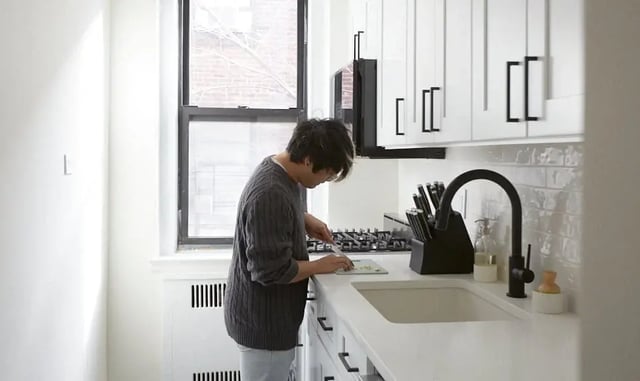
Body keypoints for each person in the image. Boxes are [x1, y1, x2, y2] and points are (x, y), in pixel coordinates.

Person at [224, 118, 355, 381]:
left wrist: (303, 218)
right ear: (307, 160)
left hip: (265, 319)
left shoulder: (279, 169)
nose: (326, 179)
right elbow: (271, 272)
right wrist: (320, 265)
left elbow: (278, 209)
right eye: (327, 173)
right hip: (264, 326)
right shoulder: (270, 192)